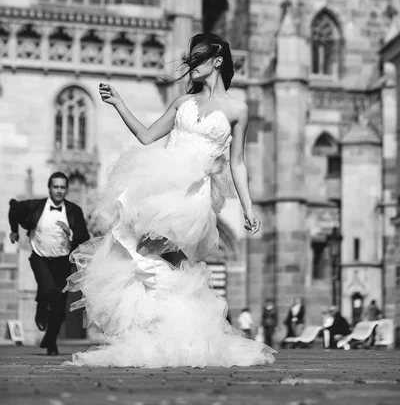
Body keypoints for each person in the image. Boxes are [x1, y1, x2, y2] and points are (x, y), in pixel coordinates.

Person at [63, 33, 276, 367]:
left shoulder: (238, 109)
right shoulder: (181, 103)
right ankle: (171, 334)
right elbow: (147, 136)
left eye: (197, 58)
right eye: (189, 58)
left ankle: (170, 334)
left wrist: (248, 207)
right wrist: (119, 103)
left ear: (217, 61)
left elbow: (238, 162)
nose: (190, 64)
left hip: (191, 195)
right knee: (147, 256)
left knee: (154, 255)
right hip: (159, 184)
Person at [8, 172, 90, 356]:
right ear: (49, 188)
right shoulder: (36, 206)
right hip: (40, 258)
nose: (59, 190)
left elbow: (85, 237)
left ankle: (50, 341)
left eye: (62, 187)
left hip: (61, 261)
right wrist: (14, 231)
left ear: (66, 189)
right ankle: (40, 311)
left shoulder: (74, 210)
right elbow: (13, 206)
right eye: (56, 187)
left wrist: (70, 233)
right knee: (48, 289)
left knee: (60, 308)